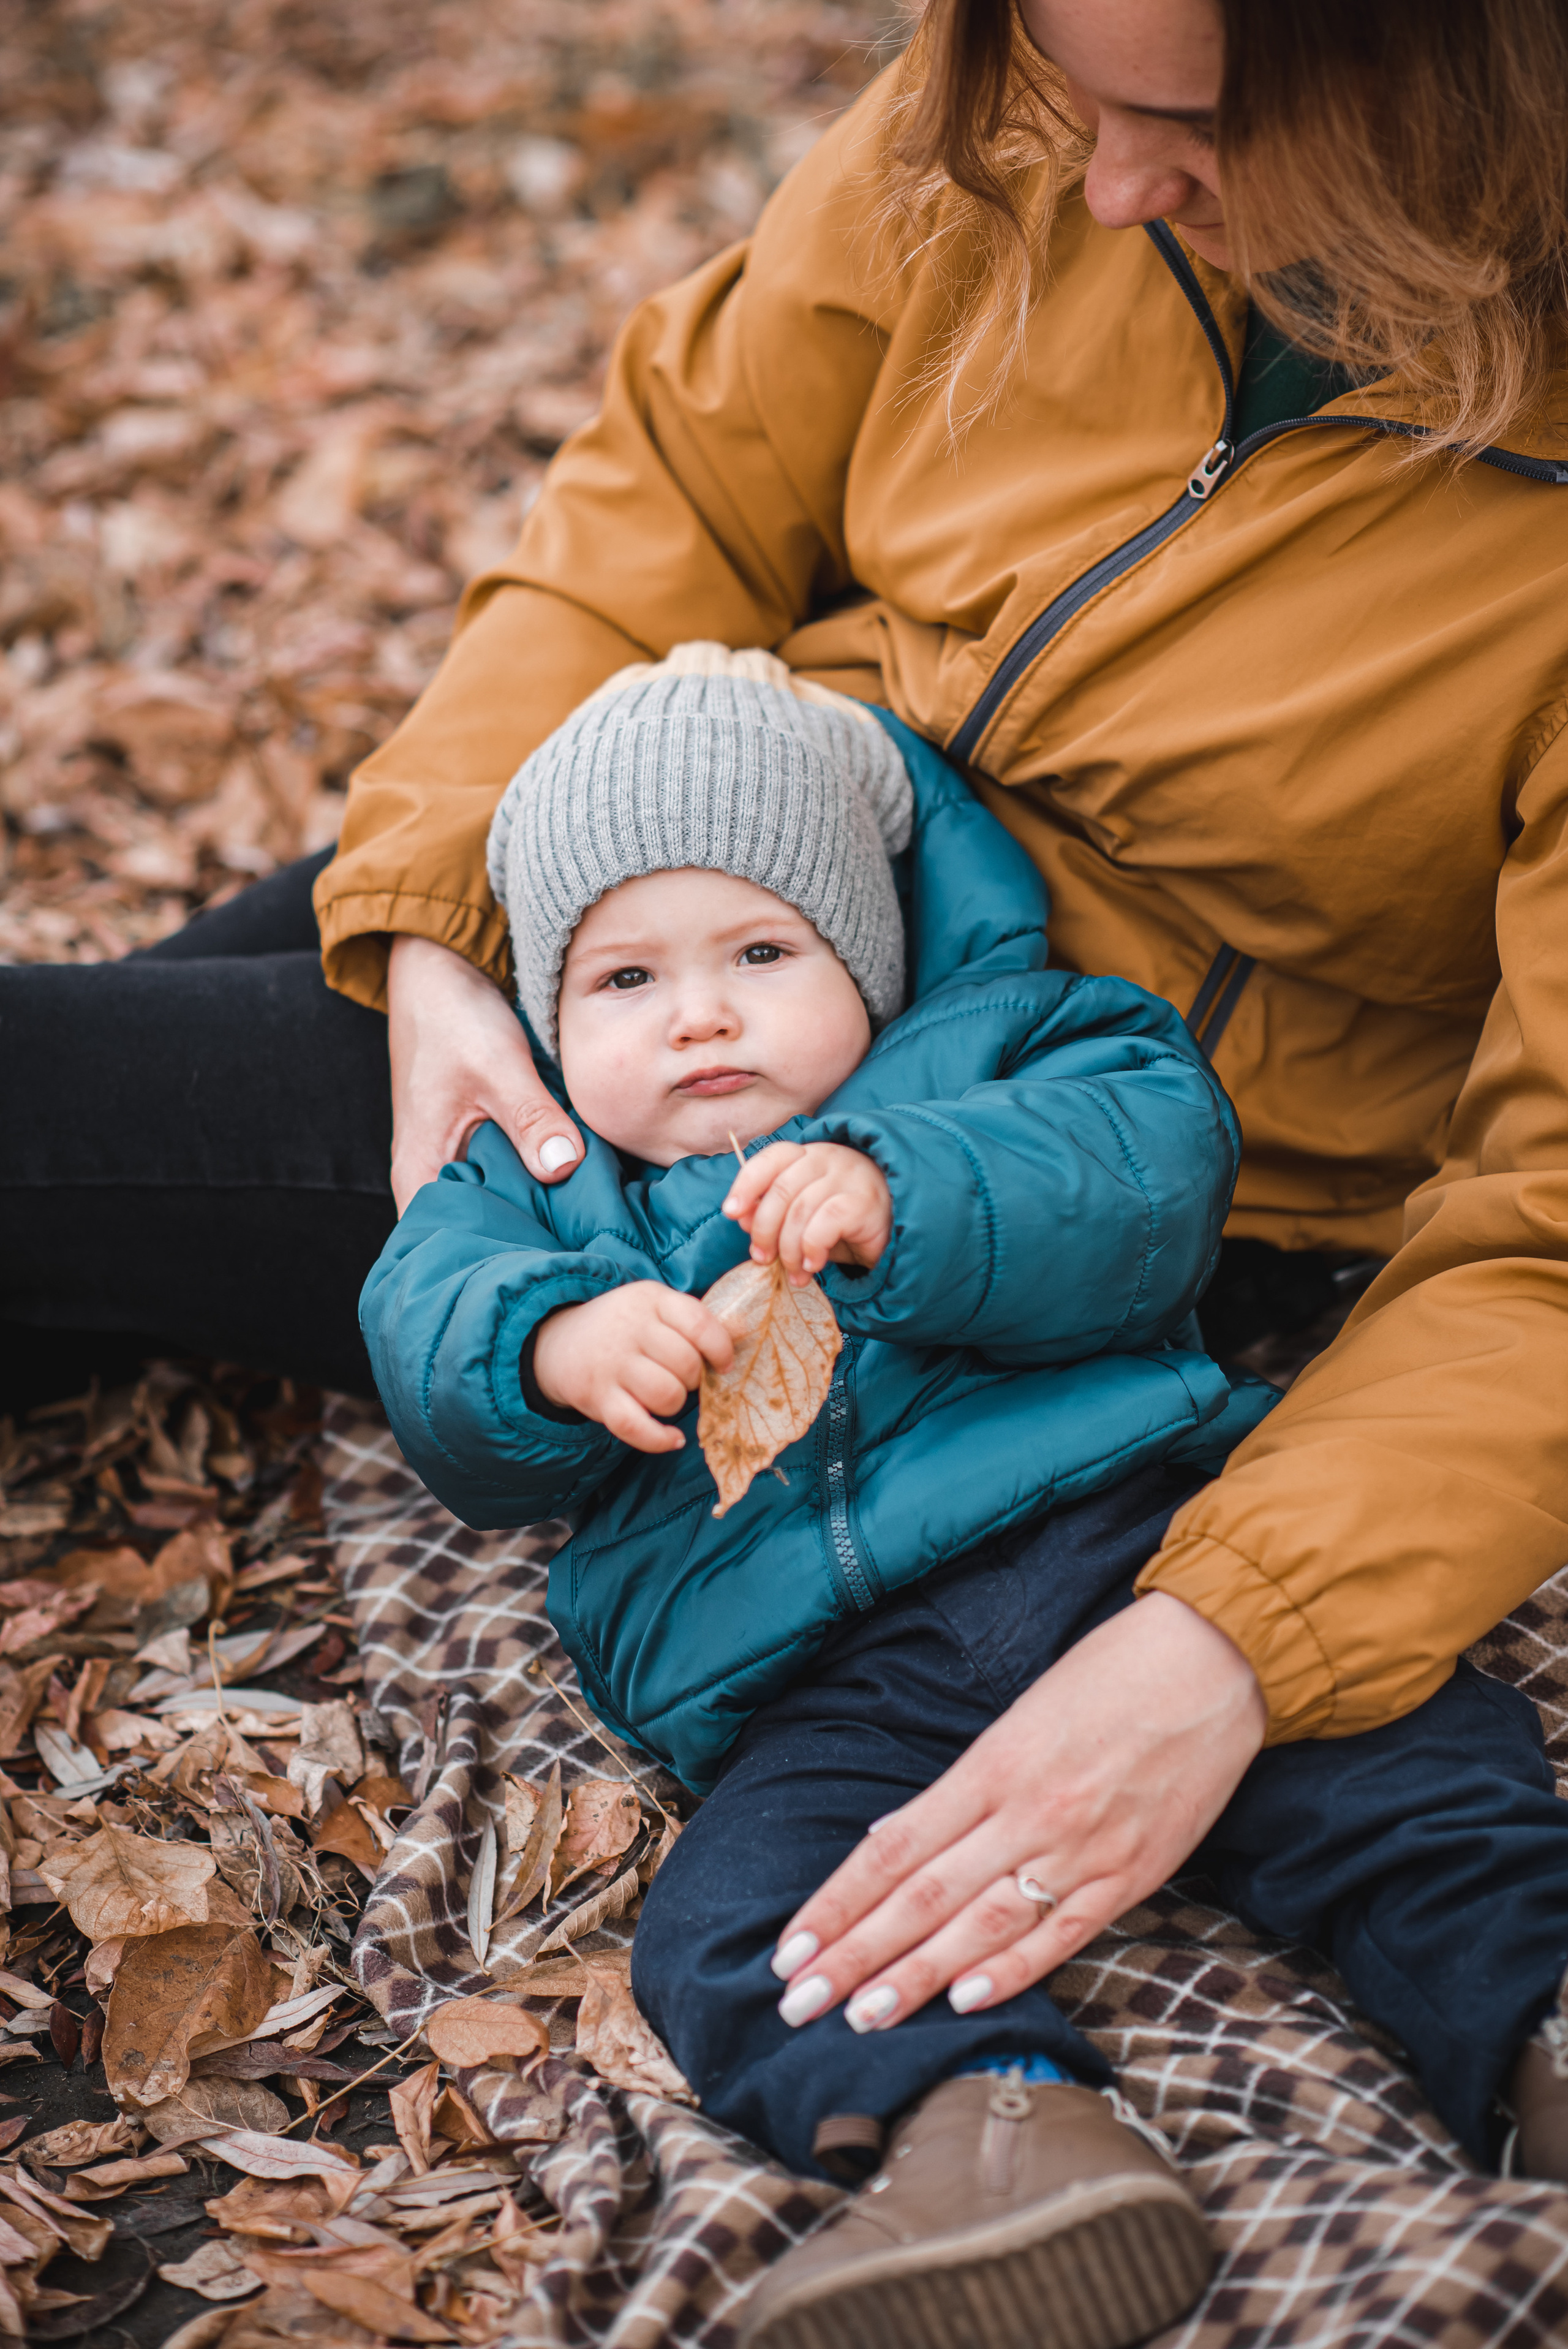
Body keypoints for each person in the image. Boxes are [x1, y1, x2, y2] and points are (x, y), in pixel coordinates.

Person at [5, 0, 1568, 2300]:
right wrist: (450, 923)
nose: (1105, 179)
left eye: (1194, 130)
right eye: (1072, 94)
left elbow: (1547, 1233)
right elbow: (678, 483)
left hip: (1011, 1152)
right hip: (692, 928)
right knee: (125, 1062)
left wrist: (1233, 1635)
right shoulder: (1028, 103)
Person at [363, 644, 1568, 2349]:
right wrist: (548, 1346)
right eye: (624, 976)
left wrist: (906, 1191)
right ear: (552, 1013)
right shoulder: (549, 1192)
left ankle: (1538, 2023)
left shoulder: (1005, 1045)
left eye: (761, 953)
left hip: (1126, 1548)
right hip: (824, 1674)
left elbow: (1145, 1178)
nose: (697, 1013)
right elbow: (422, 1333)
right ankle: (988, 2130)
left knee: (1406, 1766)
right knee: (737, 1917)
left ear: (868, 952)